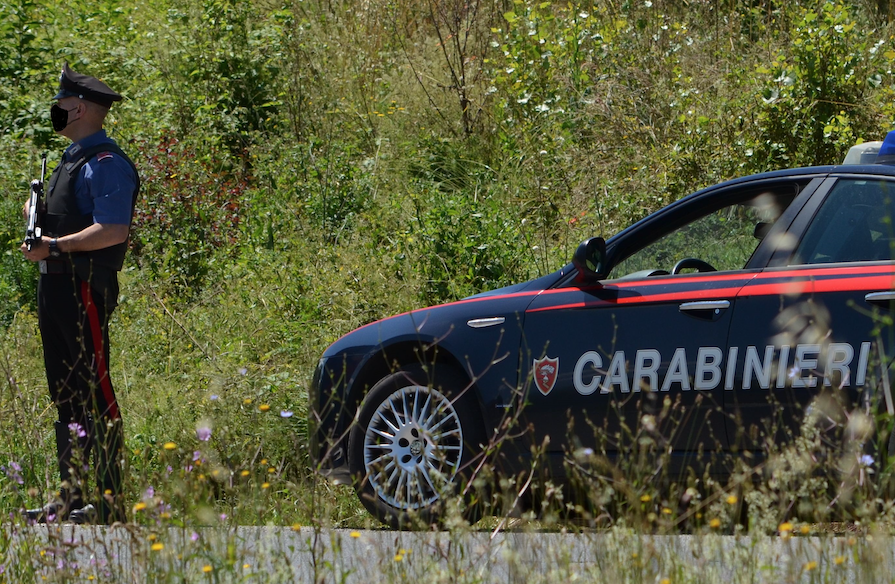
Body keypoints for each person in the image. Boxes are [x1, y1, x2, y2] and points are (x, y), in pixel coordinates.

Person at [20, 64, 140, 525]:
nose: (56, 110)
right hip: (54, 285)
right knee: (65, 392)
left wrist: (56, 246)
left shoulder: (106, 163)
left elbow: (113, 229)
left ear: (81, 107)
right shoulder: (70, 161)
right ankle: (71, 496)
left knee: (95, 388)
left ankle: (109, 500)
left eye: (61, 103)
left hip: (84, 285)